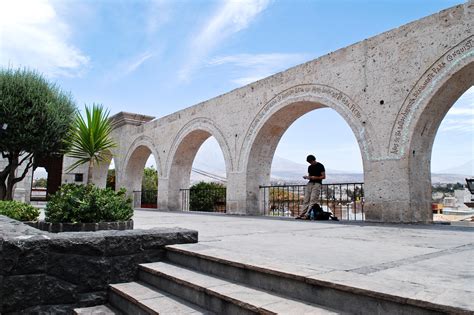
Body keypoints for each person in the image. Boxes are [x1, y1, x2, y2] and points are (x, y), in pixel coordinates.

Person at [297, 154, 325, 219]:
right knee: (306, 199)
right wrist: (307, 177)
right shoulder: (310, 167)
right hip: (310, 183)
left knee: (313, 200)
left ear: (313, 160)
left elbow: (323, 176)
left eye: (311, 162)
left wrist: (315, 177)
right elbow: (310, 176)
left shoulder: (320, 166)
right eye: (309, 162)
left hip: (317, 183)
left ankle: (308, 214)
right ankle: (302, 214)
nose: (310, 163)